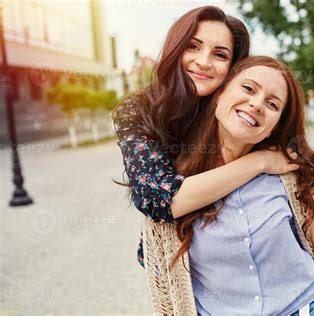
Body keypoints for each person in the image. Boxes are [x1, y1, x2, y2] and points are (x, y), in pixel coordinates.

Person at [142, 56, 314, 316]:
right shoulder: (174, 179)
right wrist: (258, 162)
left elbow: (313, 211)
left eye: (272, 104)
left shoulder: (286, 167)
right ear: (219, 93)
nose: (256, 104)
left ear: (274, 127)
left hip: (302, 307)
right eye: (248, 89)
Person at [112, 5, 299, 267]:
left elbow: (302, 170)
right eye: (193, 46)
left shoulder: (239, 107)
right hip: (180, 256)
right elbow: (158, 198)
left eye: (220, 54)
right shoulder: (137, 110)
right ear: (176, 48)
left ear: (233, 67)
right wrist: (260, 162)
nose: (203, 62)